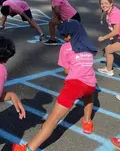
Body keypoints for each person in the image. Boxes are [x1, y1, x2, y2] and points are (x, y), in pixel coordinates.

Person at [13, 20, 97, 151]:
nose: (63, 38)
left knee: (53, 119)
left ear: (70, 34)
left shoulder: (66, 47)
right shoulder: (87, 44)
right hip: (91, 82)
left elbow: (67, 70)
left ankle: (28, 148)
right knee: (89, 97)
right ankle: (87, 122)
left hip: (74, 85)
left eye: (65, 35)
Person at [97, 0, 120, 77]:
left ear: (111, 4)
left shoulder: (114, 13)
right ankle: (108, 70)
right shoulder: (109, 12)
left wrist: (103, 38)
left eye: (106, 3)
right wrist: (111, 41)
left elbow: (116, 31)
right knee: (108, 49)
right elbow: (111, 28)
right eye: (102, 4)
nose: (104, 5)